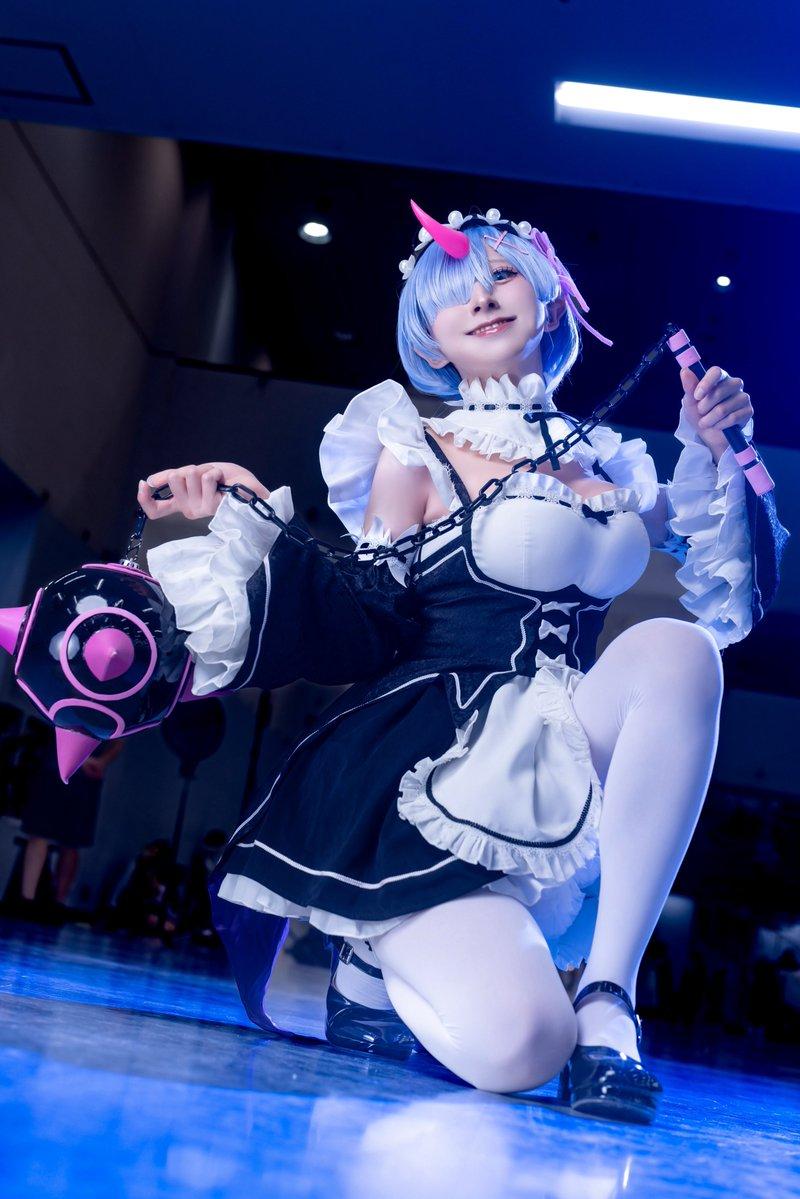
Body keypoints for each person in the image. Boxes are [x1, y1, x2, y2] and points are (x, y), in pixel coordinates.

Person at [140, 201, 788, 1123]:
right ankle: (373, 956)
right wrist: (243, 519)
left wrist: (719, 449)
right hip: (431, 769)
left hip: (561, 752)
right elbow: (361, 610)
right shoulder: (413, 447)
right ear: (430, 332)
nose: (481, 299)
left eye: (503, 276)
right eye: (454, 292)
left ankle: (609, 997)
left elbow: (725, 599)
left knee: (680, 651)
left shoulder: (614, 464)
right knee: (524, 1049)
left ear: (551, 298)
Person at [16, 722, 123, 921]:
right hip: (54, 766)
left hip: (86, 775)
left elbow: (121, 738)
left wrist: (101, 762)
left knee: (71, 841)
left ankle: (58, 903)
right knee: (39, 832)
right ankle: (26, 900)